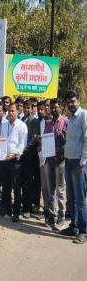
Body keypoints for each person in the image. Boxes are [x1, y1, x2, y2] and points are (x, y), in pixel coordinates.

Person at [60, 90, 87, 244]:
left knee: (80, 199)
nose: (70, 104)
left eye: (73, 101)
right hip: (69, 162)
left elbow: (86, 140)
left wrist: (82, 163)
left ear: (78, 101)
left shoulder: (84, 116)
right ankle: (74, 227)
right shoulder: (71, 118)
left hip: (79, 164)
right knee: (72, 197)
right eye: (68, 102)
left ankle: (83, 231)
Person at [0, 103, 27, 221]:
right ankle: (6, 209)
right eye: (9, 111)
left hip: (15, 160)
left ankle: (16, 212)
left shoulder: (22, 126)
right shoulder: (5, 125)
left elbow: (22, 144)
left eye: (13, 111)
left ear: (18, 112)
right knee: (6, 186)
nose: (11, 113)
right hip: (4, 159)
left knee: (16, 187)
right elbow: (1, 138)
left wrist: (14, 154)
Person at [42, 99, 68, 229]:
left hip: (61, 160)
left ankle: (61, 218)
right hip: (49, 160)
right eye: (51, 108)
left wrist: (61, 153)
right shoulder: (48, 123)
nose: (53, 110)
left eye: (55, 107)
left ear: (60, 107)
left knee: (61, 190)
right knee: (50, 189)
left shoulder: (65, 122)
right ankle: (52, 217)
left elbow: (68, 143)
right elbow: (45, 140)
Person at [20, 100, 41, 218]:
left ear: (32, 108)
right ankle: (23, 205)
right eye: (25, 108)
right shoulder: (22, 120)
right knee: (22, 181)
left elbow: (34, 139)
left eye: (28, 108)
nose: (26, 110)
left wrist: (23, 150)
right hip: (21, 156)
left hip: (30, 156)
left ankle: (27, 208)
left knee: (28, 182)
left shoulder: (35, 121)